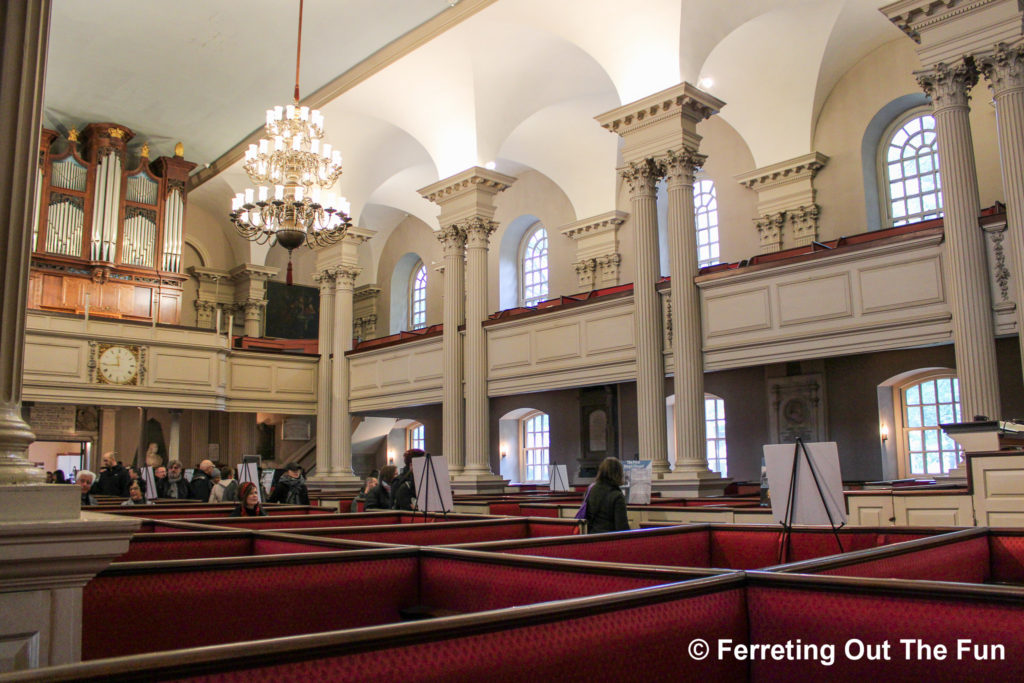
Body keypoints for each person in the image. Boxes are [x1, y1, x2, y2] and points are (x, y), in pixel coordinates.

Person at [584, 457, 629, 534]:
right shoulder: (617, 495)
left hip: (592, 536)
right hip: (610, 539)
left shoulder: (591, 489)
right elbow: (622, 527)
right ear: (618, 473)